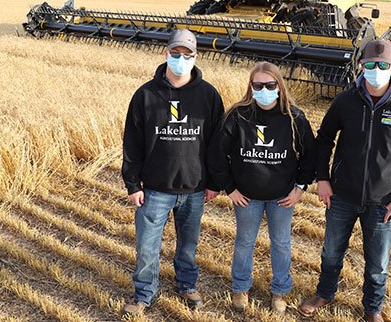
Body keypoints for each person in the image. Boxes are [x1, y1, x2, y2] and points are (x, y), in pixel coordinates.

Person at [299, 39, 391, 321]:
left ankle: (373, 309)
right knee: (331, 252)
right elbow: (324, 140)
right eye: (370, 64)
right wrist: (323, 179)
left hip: (382, 201)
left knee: (377, 263)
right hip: (342, 195)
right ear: (361, 66)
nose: (376, 70)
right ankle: (324, 293)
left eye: (382, 65)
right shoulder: (345, 101)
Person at [121, 29, 224, 316]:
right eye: (175, 54)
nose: (181, 59)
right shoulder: (145, 95)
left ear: (196, 57)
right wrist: (133, 184)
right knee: (146, 248)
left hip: (194, 188)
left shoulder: (209, 95)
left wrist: (215, 182)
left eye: (186, 55)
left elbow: (217, 143)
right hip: (155, 188)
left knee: (188, 245)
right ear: (166, 54)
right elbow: (132, 142)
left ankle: (187, 285)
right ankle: (144, 293)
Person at [207, 61, 316, 314]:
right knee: (245, 242)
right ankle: (240, 288)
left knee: (281, 243)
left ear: (279, 86)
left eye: (270, 84)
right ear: (251, 86)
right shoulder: (238, 115)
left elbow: (309, 156)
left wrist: (299, 187)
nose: (264, 89)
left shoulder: (293, 117)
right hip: (247, 197)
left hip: (281, 197)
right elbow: (216, 154)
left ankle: (280, 292)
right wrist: (229, 188)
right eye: (258, 85)